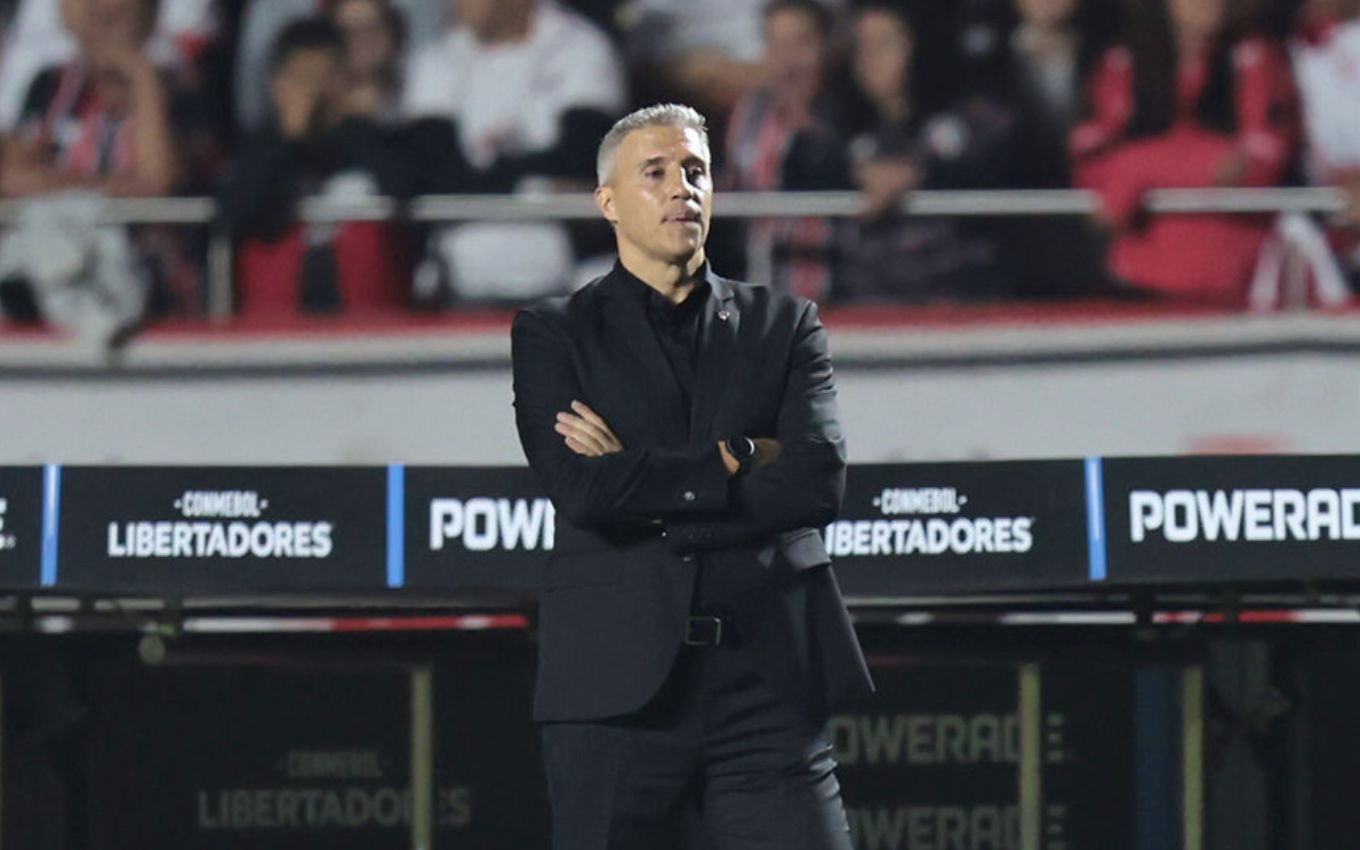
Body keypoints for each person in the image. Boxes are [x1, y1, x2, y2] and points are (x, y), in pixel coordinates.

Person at [511, 103, 873, 849]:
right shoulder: (554, 332)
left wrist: (638, 474)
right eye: (657, 172)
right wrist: (740, 455)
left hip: (766, 685)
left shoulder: (786, 324)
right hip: (616, 697)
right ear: (608, 201)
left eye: (696, 170)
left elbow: (815, 483)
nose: (684, 187)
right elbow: (584, 491)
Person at [1070, 0, 1299, 304]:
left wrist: (1138, 167)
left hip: (1239, 274)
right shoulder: (1123, 62)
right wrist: (1197, 161)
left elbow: (1258, 164)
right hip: (1140, 274)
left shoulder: (1257, 58)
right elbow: (1090, 163)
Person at [402, 0, 626, 302]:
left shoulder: (579, 47)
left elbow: (581, 158)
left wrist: (485, 179)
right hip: (460, 261)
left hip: (567, 265)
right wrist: (529, 182)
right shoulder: (438, 59)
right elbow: (433, 169)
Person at [216, 16, 414, 316]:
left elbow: (404, 189)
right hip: (275, 327)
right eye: (301, 78)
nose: (314, 91)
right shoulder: (259, 149)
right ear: (276, 84)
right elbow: (232, 216)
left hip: (370, 322)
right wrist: (289, 138)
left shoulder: (371, 142)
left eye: (324, 77)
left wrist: (349, 127)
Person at [837, 2, 1012, 303]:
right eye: (861, 48)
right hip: (869, 313)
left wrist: (917, 175)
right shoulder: (846, 131)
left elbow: (1004, 171)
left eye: (884, 45)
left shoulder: (972, 118)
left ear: (917, 46)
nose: (869, 60)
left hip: (957, 308)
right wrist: (857, 173)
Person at [724, 0, 850, 301]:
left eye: (800, 43)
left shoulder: (850, 113)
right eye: (775, 45)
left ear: (826, 49)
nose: (787, 61)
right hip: (758, 298)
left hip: (840, 298)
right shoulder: (750, 113)